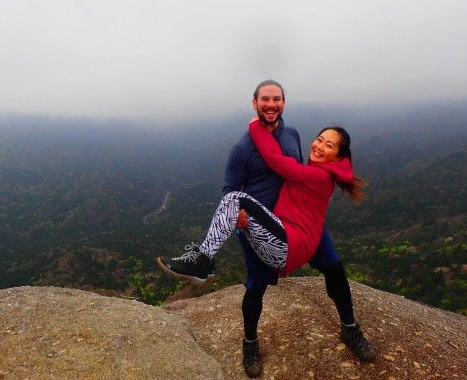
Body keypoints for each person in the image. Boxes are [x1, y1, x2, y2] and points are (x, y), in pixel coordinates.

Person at [157, 80, 375, 377]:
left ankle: (350, 329)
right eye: (265, 100)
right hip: (262, 223)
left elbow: (292, 170)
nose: (271, 104)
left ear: (284, 102)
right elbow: (230, 190)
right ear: (255, 103)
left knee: (335, 269)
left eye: (276, 99)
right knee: (255, 288)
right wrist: (239, 220)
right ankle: (250, 342)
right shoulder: (241, 149)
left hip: (299, 225)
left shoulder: (293, 136)